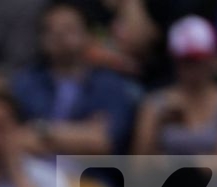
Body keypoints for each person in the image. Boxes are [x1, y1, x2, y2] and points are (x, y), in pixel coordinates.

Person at [10, 4, 140, 157]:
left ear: (88, 35)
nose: (59, 35)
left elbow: (102, 141)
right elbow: (11, 138)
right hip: (33, 171)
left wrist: (41, 130)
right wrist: (82, 133)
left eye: (69, 29)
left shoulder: (109, 84)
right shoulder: (26, 82)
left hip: (87, 175)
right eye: (51, 30)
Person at [131, 16, 217, 163]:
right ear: (175, 60)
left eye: (198, 61)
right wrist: (158, 125)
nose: (192, 69)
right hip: (163, 184)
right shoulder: (155, 104)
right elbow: (138, 167)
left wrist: (172, 163)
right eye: (186, 61)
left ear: (213, 59)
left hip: (214, 184)